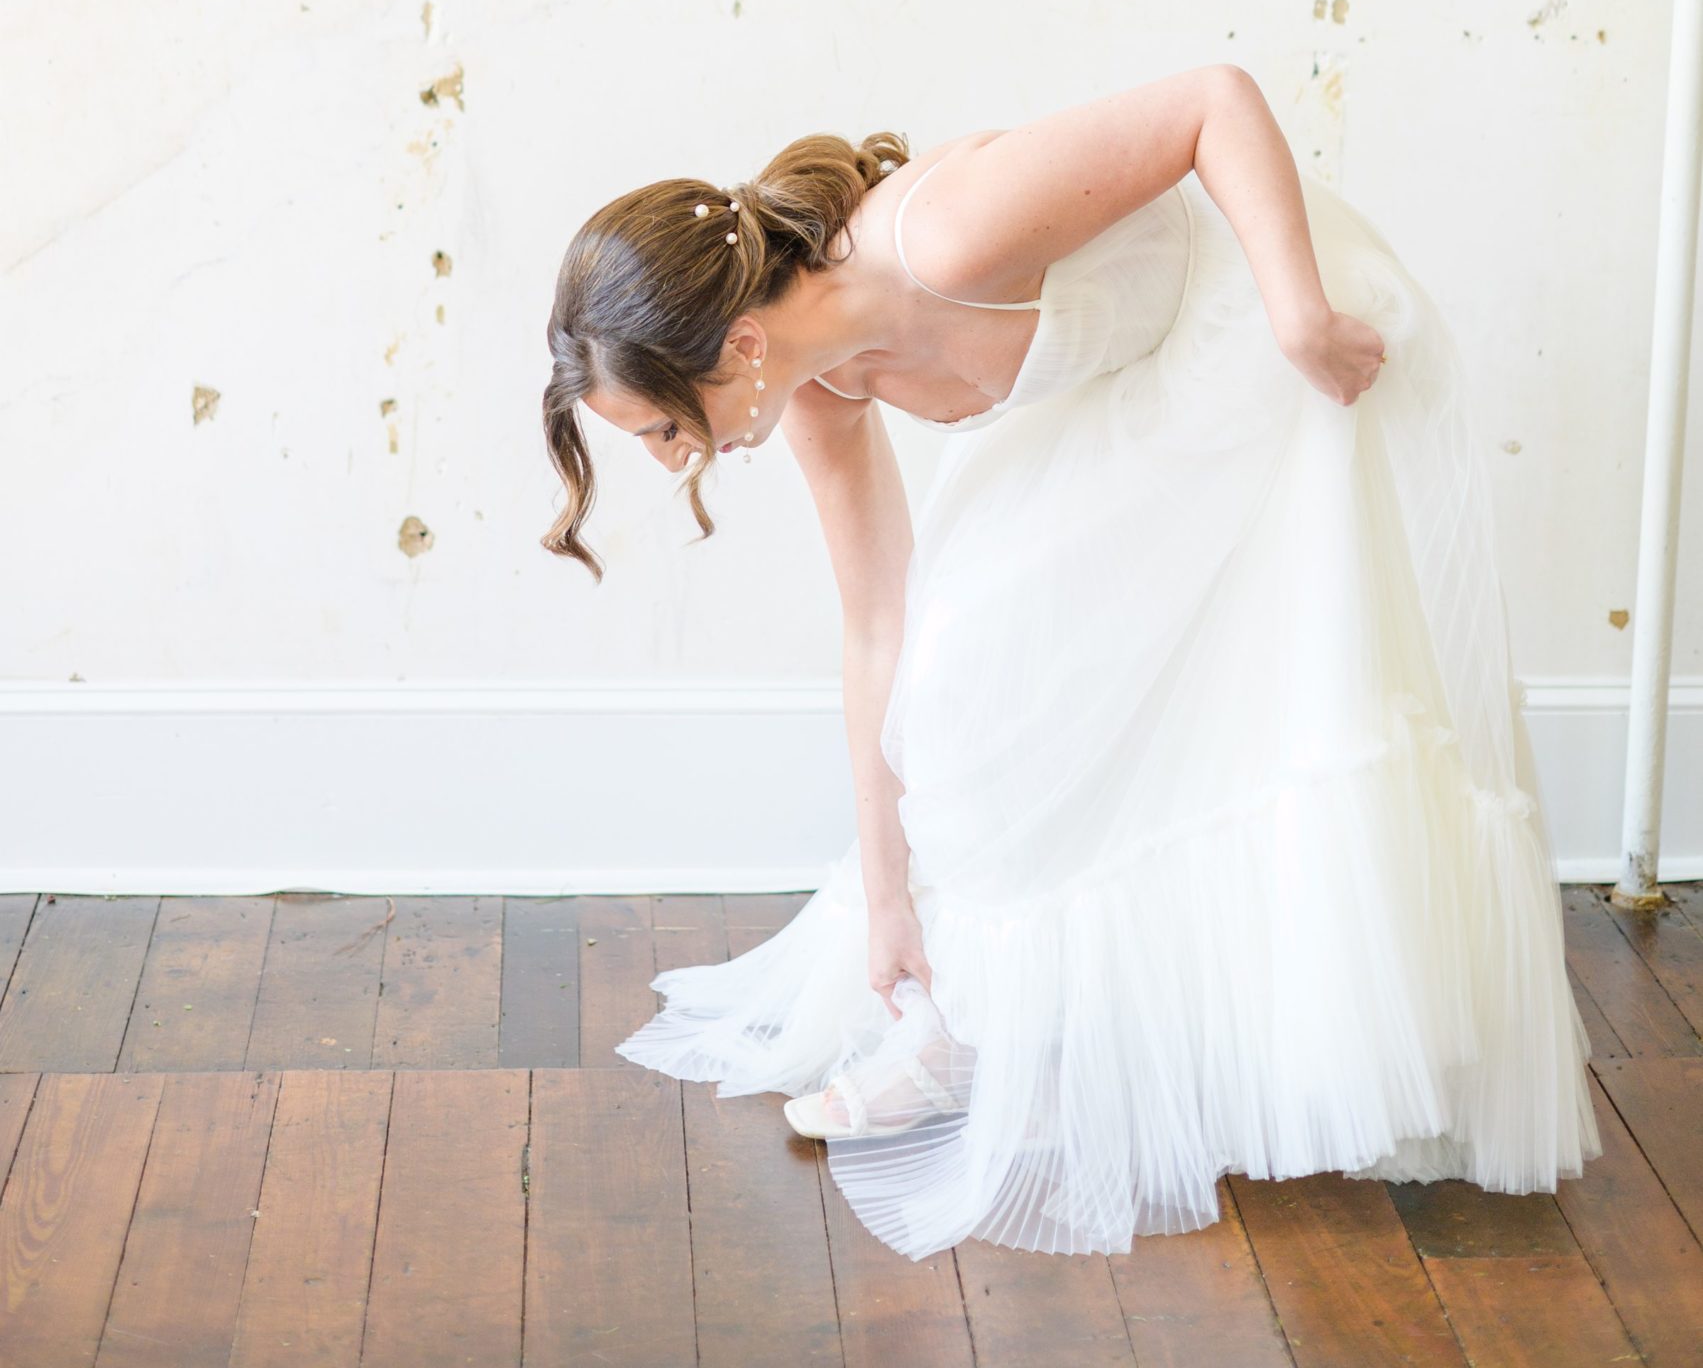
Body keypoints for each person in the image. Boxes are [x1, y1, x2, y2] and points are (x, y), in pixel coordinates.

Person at [541, 67, 1601, 1261]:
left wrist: (1298, 309)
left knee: (1274, 670)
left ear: (735, 344)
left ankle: (1276, 1017)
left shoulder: (944, 234)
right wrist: (889, 893)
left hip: (1249, 318)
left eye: (660, 428)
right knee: (960, 686)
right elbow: (877, 626)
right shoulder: (819, 381)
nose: (673, 458)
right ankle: (968, 1018)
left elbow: (1214, 100)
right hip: (1111, 381)